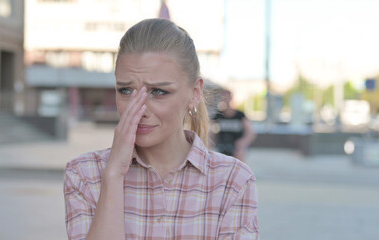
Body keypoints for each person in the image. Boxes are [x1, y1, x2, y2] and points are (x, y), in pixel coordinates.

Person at [64, 18, 259, 240]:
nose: (140, 109)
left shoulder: (233, 181)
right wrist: (113, 176)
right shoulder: (84, 175)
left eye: (158, 92)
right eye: (126, 91)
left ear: (194, 93)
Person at [211, 90, 257, 162]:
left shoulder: (240, 115)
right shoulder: (218, 115)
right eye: (223, 97)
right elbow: (209, 130)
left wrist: (242, 143)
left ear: (231, 98)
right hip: (222, 145)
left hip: (237, 147)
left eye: (227, 97)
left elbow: (250, 133)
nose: (225, 100)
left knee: (238, 157)